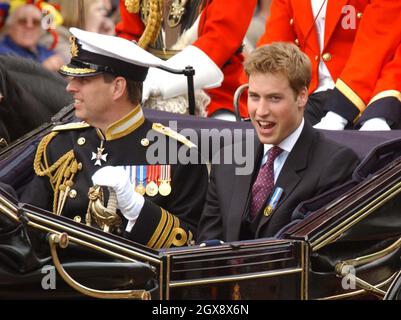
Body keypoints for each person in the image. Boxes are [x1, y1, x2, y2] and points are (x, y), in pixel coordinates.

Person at [20, 28, 208, 249]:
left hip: (131, 281)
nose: (70, 87)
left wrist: (139, 210)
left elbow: (190, 245)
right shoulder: (60, 144)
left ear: (117, 87)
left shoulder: (177, 154)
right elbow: (26, 224)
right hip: (59, 276)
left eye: (85, 80)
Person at [197, 43, 359, 242]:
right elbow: (206, 246)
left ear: (301, 97)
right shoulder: (227, 160)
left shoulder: (335, 165)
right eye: (254, 97)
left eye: (274, 98)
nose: (261, 111)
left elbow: (317, 255)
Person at [257, 0, 401, 130]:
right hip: (309, 94)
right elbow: (274, 44)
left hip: (362, 95)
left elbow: (377, 41)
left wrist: (339, 114)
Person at [116, 0, 257, 120]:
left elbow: (220, 40)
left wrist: (152, 82)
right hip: (141, 88)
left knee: (228, 140)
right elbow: (130, 33)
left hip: (214, 96)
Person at [0, 3, 64, 71]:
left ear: (40, 29)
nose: (29, 26)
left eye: (35, 22)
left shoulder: (46, 51)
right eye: (23, 21)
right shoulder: (3, 53)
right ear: (10, 26)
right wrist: (42, 70)